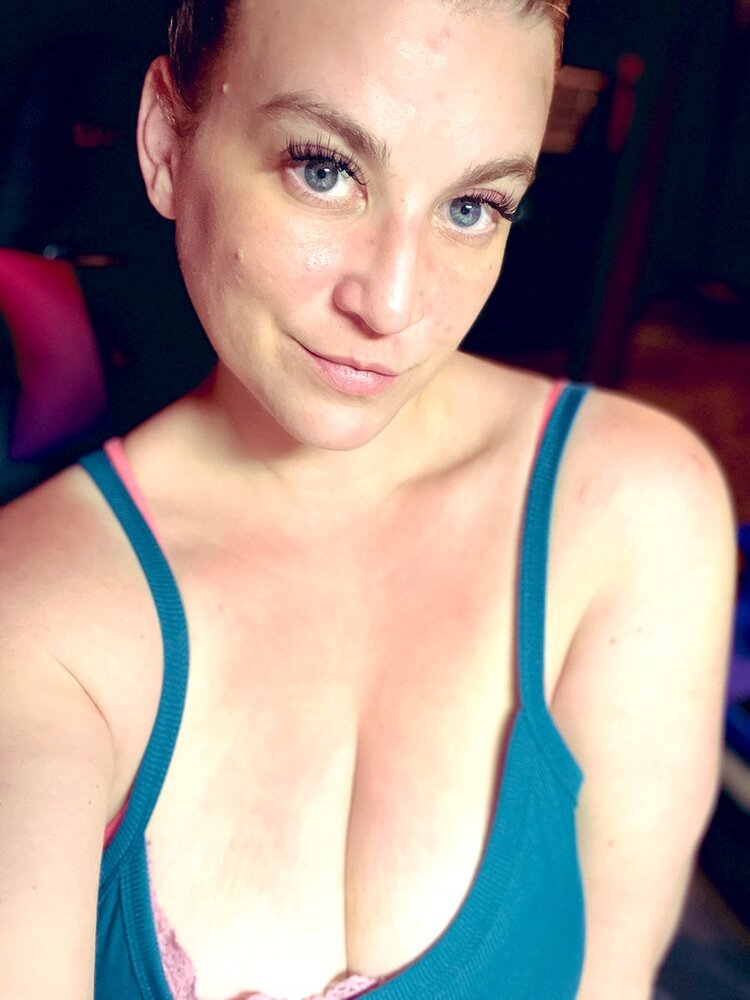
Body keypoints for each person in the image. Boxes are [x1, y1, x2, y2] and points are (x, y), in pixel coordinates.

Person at [0, 2, 737, 998]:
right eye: (324, 169)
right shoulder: (34, 609)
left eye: (473, 206)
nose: (392, 303)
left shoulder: (629, 512)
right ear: (168, 141)